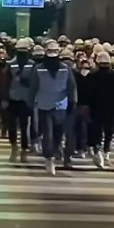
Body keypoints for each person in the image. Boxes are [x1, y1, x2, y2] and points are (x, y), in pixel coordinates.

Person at [29, 39, 77, 175]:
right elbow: (33, 87)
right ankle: (49, 158)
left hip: (61, 106)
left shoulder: (65, 69)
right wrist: (30, 102)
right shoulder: (39, 68)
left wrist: (73, 101)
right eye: (50, 52)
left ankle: (56, 151)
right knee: (47, 133)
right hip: (44, 105)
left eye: (54, 52)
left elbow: (71, 86)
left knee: (58, 134)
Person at [88, 51, 114, 169]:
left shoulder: (93, 75)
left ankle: (98, 150)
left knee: (97, 130)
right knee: (109, 130)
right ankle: (106, 152)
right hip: (111, 108)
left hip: (96, 107)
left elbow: (88, 92)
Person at [6, 37, 35, 162]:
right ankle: (14, 148)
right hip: (12, 98)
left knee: (24, 127)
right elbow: (6, 82)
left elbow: (34, 82)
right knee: (12, 126)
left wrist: (24, 81)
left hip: (26, 99)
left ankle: (24, 150)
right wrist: (4, 98)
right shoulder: (10, 64)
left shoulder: (32, 64)